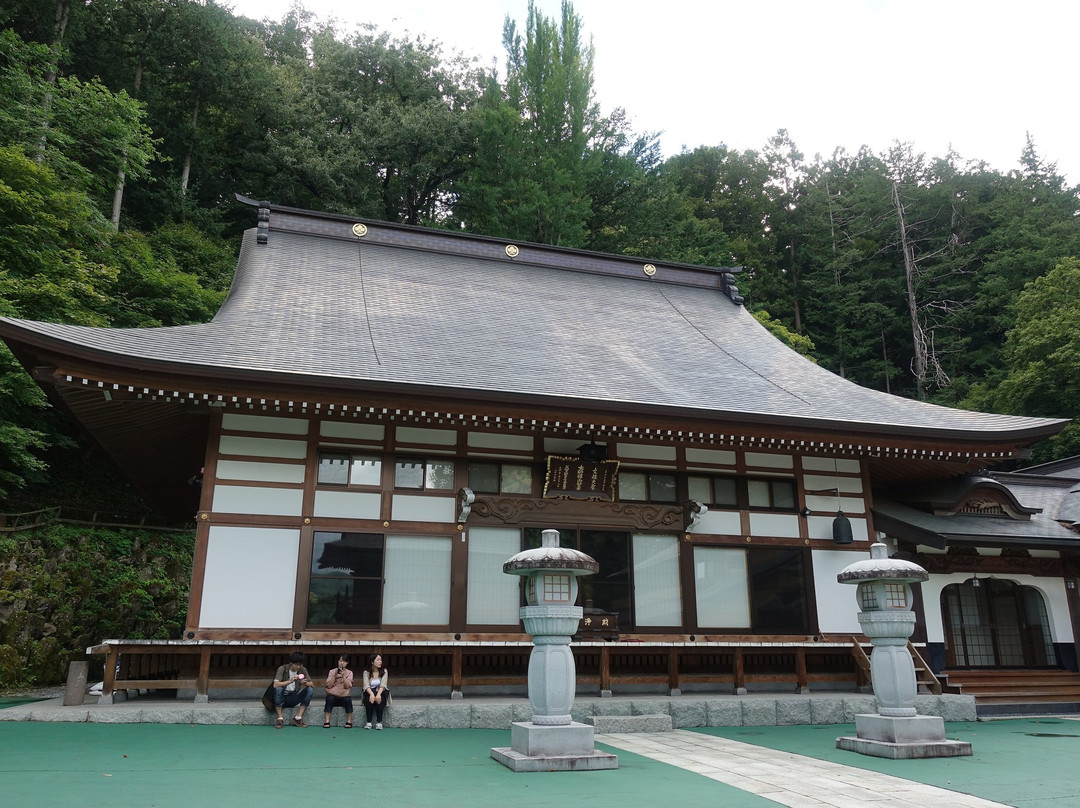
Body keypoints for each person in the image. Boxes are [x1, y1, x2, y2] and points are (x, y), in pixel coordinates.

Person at [272, 650, 314, 728]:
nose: (299, 667)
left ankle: (298, 718)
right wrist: (290, 681)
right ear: (291, 663)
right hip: (282, 697)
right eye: (297, 665)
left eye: (301, 665)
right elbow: (275, 684)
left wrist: (305, 683)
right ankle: (280, 719)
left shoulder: (303, 670)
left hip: (294, 696)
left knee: (309, 690)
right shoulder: (283, 668)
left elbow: (312, 684)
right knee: (278, 689)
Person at [322, 653, 354, 728]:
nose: (341, 663)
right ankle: (327, 721)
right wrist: (334, 675)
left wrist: (343, 676)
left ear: (347, 663)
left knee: (348, 700)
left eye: (344, 661)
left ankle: (349, 721)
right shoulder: (332, 671)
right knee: (329, 698)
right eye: (340, 661)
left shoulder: (349, 673)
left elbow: (347, 686)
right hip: (333, 694)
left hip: (344, 695)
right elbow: (329, 686)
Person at [361, 653, 390, 729]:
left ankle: (379, 722)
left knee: (381, 700)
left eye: (381, 660)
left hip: (381, 692)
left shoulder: (384, 671)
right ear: (372, 662)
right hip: (369, 693)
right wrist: (371, 694)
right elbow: (366, 685)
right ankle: (369, 722)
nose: (380, 662)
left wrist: (378, 694)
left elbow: (383, 684)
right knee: (368, 700)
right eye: (378, 660)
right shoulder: (366, 672)